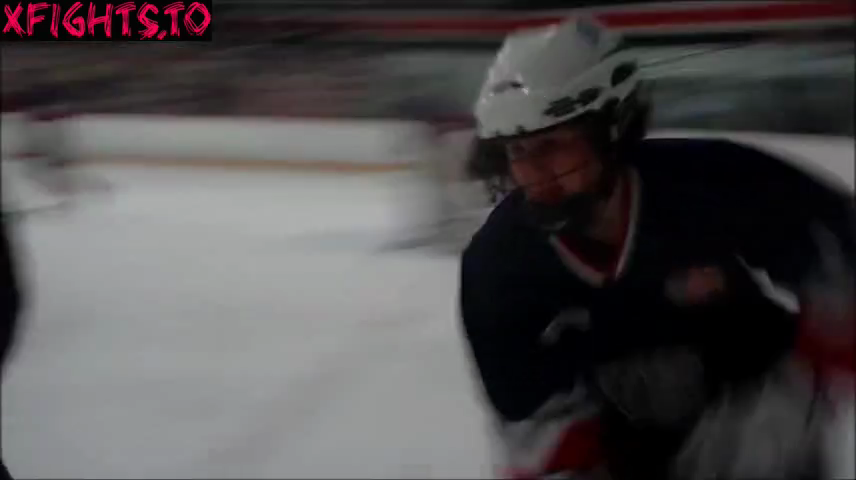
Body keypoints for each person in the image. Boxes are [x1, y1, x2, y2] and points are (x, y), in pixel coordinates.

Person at [458, 16, 854, 480]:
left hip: (755, 417)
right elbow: (522, 404)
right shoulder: (497, 266)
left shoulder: (711, 184)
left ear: (613, 129)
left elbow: (835, 247)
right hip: (619, 438)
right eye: (518, 151)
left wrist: (809, 369)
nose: (534, 173)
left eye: (553, 144)